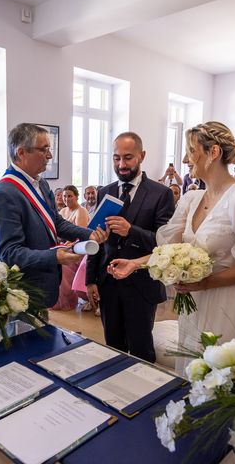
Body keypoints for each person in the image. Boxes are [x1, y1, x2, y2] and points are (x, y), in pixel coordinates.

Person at [108, 122, 235, 373]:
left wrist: (205, 283)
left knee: (224, 374)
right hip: (194, 301)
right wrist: (135, 263)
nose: (185, 158)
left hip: (228, 301)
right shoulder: (192, 198)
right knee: (194, 371)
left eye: (191, 151)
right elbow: (172, 248)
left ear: (213, 152)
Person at [0, 123, 107, 308]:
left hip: (43, 284)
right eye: (44, 150)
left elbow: (56, 222)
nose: (50, 156)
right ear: (21, 153)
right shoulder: (5, 193)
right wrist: (54, 257)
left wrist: (88, 234)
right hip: (22, 290)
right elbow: (9, 253)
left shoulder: (40, 184)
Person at [86, 132, 175, 363]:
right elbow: (95, 240)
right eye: (116, 158)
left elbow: (165, 242)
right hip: (108, 283)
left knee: (141, 349)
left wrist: (131, 230)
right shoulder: (105, 191)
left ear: (142, 156)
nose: (121, 165)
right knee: (112, 347)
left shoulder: (161, 194)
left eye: (128, 158)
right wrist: (90, 279)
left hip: (141, 284)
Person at [54, 185, 90, 311]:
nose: (66, 199)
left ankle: (68, 300)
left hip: (80, 248)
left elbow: (79, 235)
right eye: (64, 196)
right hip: (65, 246)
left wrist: (65, 246)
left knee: (64, 265)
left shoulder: (81, 211)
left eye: (70, 196)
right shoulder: (62, 212)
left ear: (76, 197)